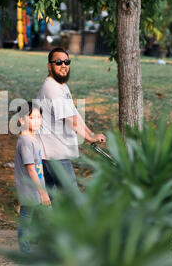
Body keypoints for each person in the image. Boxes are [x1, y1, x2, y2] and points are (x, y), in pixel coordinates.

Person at [36, 47, 106, 193]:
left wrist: (90, 133)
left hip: (52, 152)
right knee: (72, 198)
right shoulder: (51, 88)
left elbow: (74, 114)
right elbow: (69, 119)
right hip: (53, 153)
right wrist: (88, 137)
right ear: (50, 66)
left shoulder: (61, 86)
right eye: (59, 62)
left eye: (66, 62)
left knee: (50, 199)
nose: (63, 65)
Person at [14, 102, 51, 253]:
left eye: (39, 117)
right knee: (27, 219)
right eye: (31, 117)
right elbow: (30, 169)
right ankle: (25, 250)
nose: (36, 120)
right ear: (21, 120)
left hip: (37, 188)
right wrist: (43, 192)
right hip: (30, 189)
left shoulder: (33, 138)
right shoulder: (26, 142)